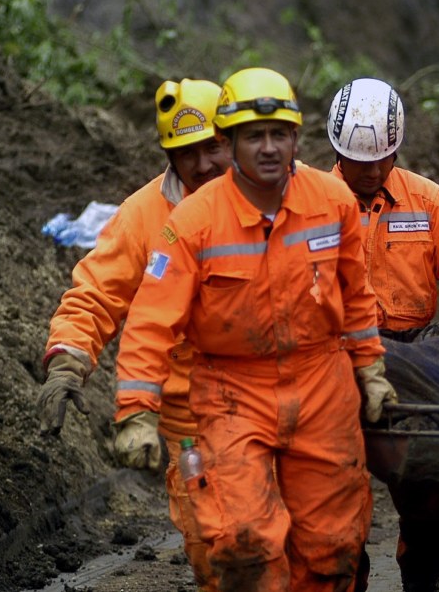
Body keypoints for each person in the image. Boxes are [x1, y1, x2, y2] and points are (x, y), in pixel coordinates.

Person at [112, 67, 396, 592]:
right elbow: (151, 320)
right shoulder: (193, 222)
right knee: (244, 545)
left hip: (321, 386)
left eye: (278, 134)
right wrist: (135, 410)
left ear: (295, 138)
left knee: (331, 550)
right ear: (230, 141)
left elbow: (356, 296)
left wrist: (371, 369)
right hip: (231, 394)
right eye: (253, 136)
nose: (268, 148)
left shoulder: (331, 204)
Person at [37, 77, 230, 590]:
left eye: (215, 146)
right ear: (170, 155)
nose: (205, 163)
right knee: (214, 549)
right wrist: (68, 360)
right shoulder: (143, 216)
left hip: (280, 398)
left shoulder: (276, 199)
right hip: (190, 414)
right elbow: (96, 293)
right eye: (190, 152)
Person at [326, 77, 439, 592]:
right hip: (336, 360)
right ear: (337, 151)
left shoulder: (426, 199)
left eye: (384, 158)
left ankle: (423, 582)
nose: (374, 170)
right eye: (360, 161)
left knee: (427, 487)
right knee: (334, 489)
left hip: (417, 357)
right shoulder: (311, 200)